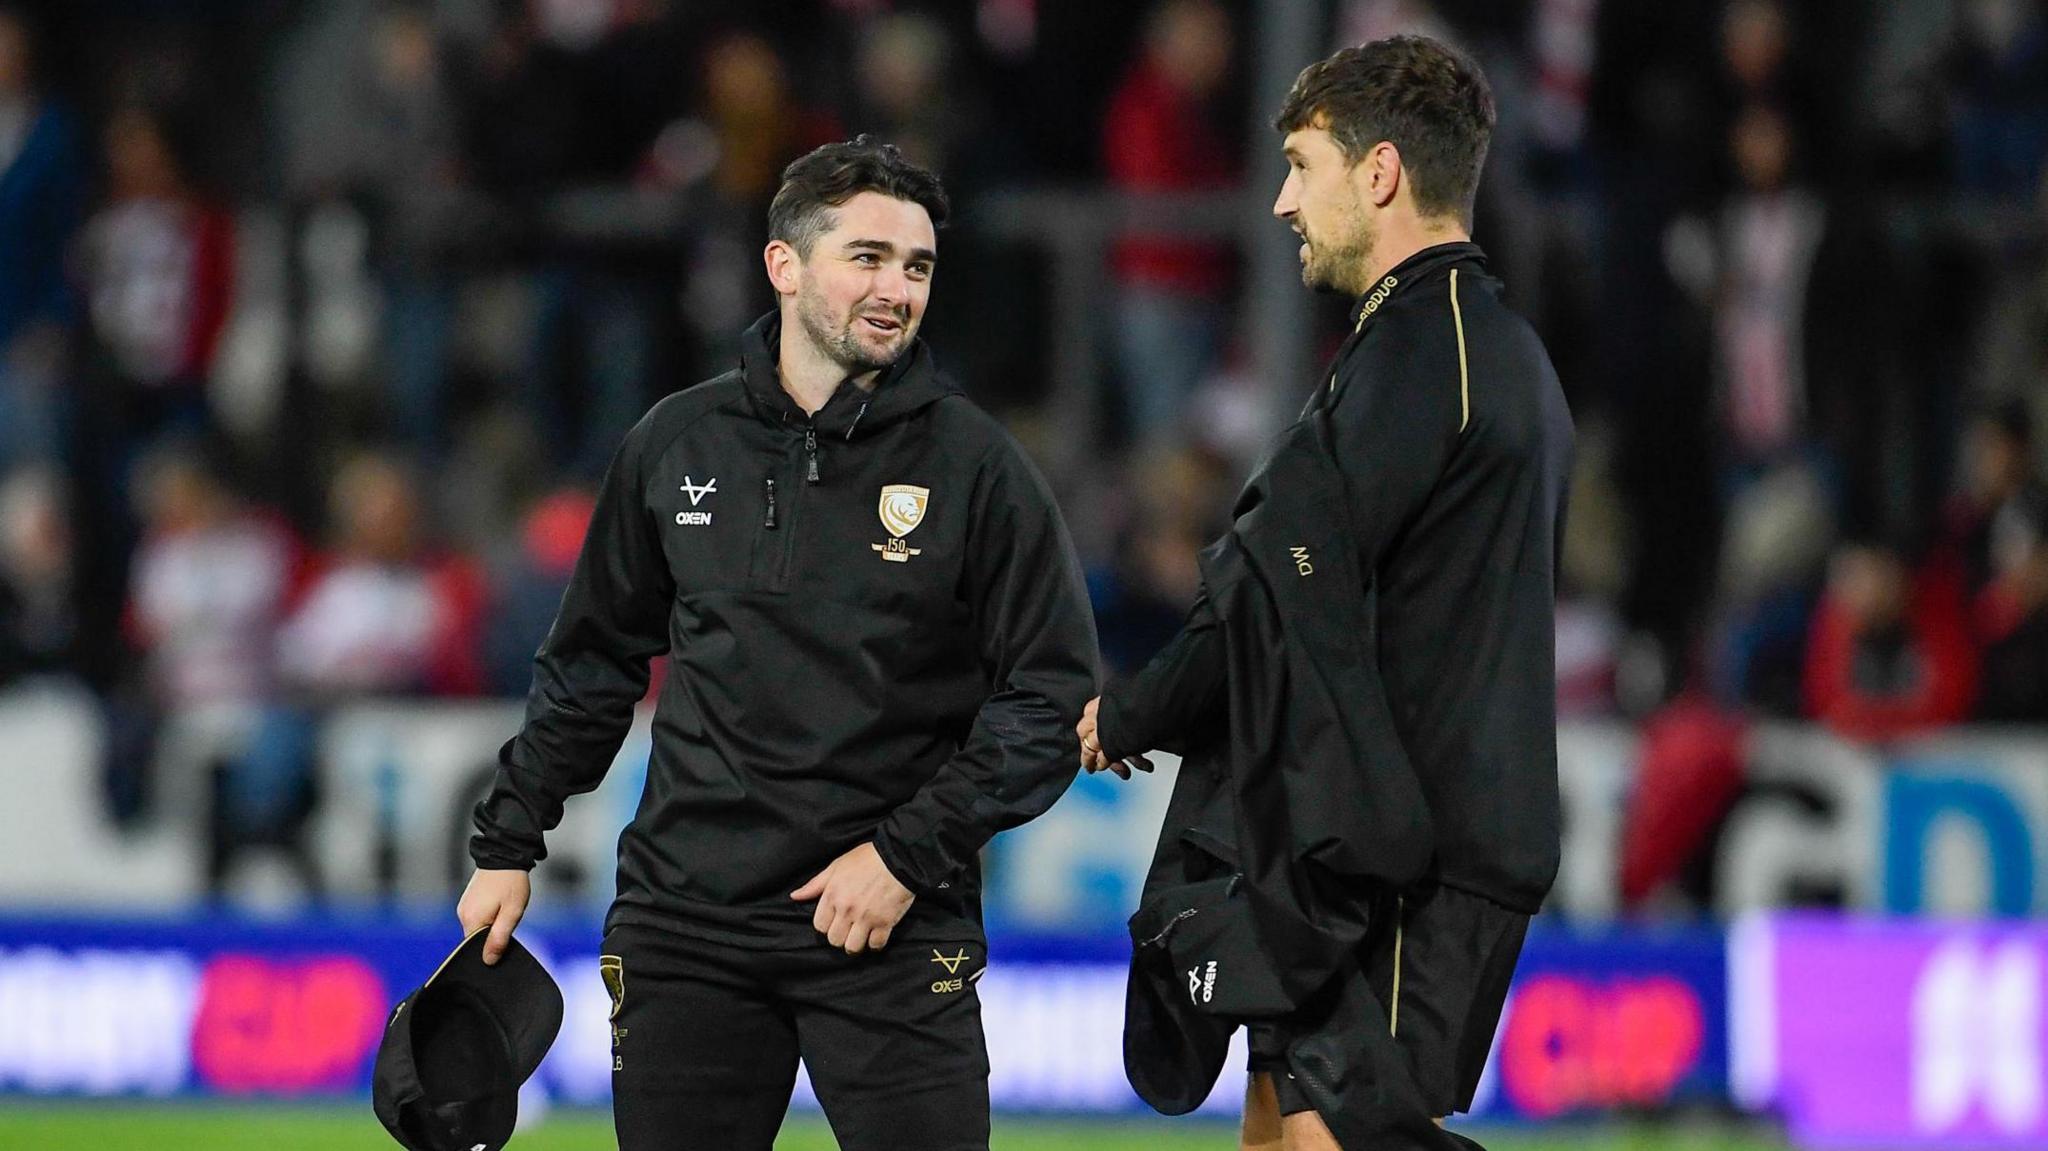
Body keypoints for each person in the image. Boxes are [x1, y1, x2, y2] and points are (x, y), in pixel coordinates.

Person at [457, 137, 1097, 1151]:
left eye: (918, 266)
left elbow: (1049, 701)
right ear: (783, 265)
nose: (898, 289)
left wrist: (903, 853)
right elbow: (590, 663)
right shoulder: (674, 442)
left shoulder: (978, 465)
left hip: (891, 923)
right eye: (869, 257)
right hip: (687, 928)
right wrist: (507, 838)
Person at [1078, 36, 1573, 1151]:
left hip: (1409, 835)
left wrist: (1137, 708)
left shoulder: (1418, 353)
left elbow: (1273, 583)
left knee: (1331, 1139)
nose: (1280, 201)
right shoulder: (1466, 349)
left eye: (1302, 165)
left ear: (1381, 173)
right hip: (1358, 828)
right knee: (1274, 1127)